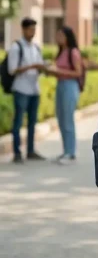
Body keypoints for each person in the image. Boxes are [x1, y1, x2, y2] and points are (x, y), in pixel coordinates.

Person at [7, 18, 46, 164]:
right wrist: (31, 66)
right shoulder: (17, 47)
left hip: (34, 89)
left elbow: (40, 66)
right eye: (30, 29)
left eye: (34, 29)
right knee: (18, 122)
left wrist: (41, 67)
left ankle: (30, 150)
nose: (33, 32)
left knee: (32, 122)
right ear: (23, 29)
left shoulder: (36, 47)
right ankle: (17, 152)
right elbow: (12, 70)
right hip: (21, 89)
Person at [47, 26, 83, 166]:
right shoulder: (62, 52)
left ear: (67, 37)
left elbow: (78, 73)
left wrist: (59, 70)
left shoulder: (73, 52)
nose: (58, 38)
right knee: (61, 119)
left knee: (68, 119)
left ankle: (71, 152)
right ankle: (65, 150)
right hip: (60, 86)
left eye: (61, 35)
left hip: (70, 86)